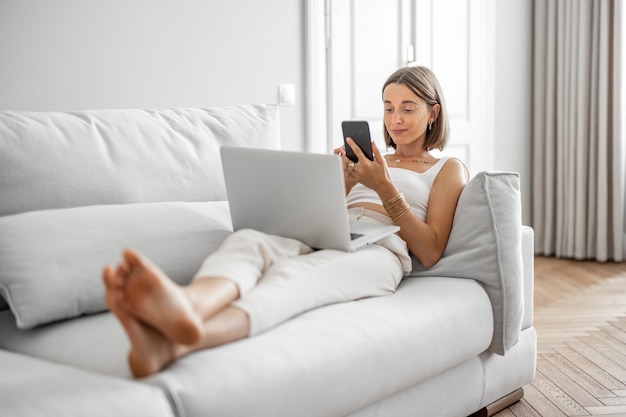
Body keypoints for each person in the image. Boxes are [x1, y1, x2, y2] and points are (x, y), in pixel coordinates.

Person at [102, 66, 469, 378]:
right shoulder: (373, 158)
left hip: (381, 251)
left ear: (433, 113)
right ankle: (189, 304)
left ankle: (174, 346)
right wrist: (343, 179)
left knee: (293, 278)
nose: (395, 120)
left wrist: (385, 187)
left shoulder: (447, 169)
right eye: (388, 109)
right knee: (251, 240)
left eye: (407, 108)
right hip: (334, 227)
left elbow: (430, 249)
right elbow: (329, 205)